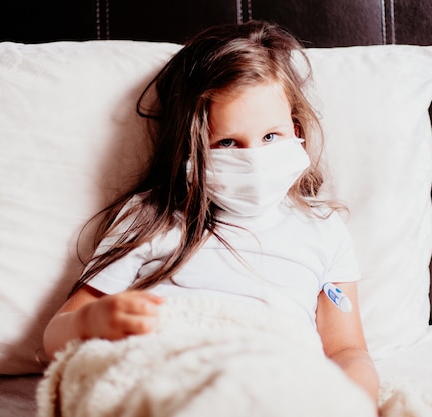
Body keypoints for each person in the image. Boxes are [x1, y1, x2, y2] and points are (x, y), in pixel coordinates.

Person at [43, 20, 379, 407]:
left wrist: (356, 400)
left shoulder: (323, 230)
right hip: (170, 369)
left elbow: (347, 351)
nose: (253, 159)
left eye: (271, 137)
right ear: (193, 148)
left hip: (270, 372)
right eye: (227, 143)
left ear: (297, 129)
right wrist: (92, 323)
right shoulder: (152, 216)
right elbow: (56, 336)